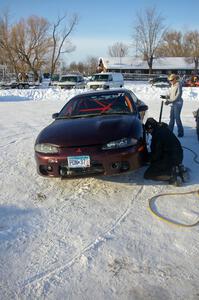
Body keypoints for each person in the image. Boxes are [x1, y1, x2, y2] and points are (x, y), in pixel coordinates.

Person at [144, 117, 185, 185]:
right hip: (179, 155)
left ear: (151, 128)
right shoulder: (164, 128)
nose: (149, 133)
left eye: (148, 131)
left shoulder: (157, 136)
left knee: (148, 174)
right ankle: (177, 167)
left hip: (171, 158)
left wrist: (146, 158)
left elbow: (156, 155)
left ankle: (172, 176)